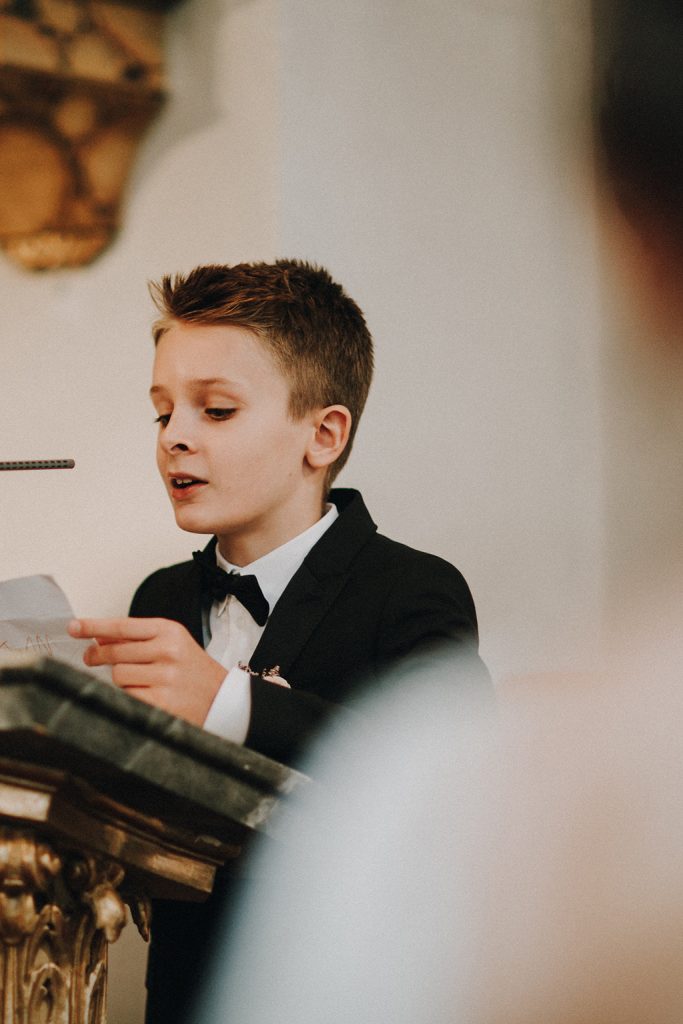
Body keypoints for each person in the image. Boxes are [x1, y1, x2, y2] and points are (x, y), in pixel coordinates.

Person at [67, 259, 488, 1021]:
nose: (175, 440)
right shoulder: (160, 599)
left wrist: (228, 700)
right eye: (163, 414)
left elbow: (451, 787)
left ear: (323, 434)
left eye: (216, 411)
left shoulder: (412, 590)